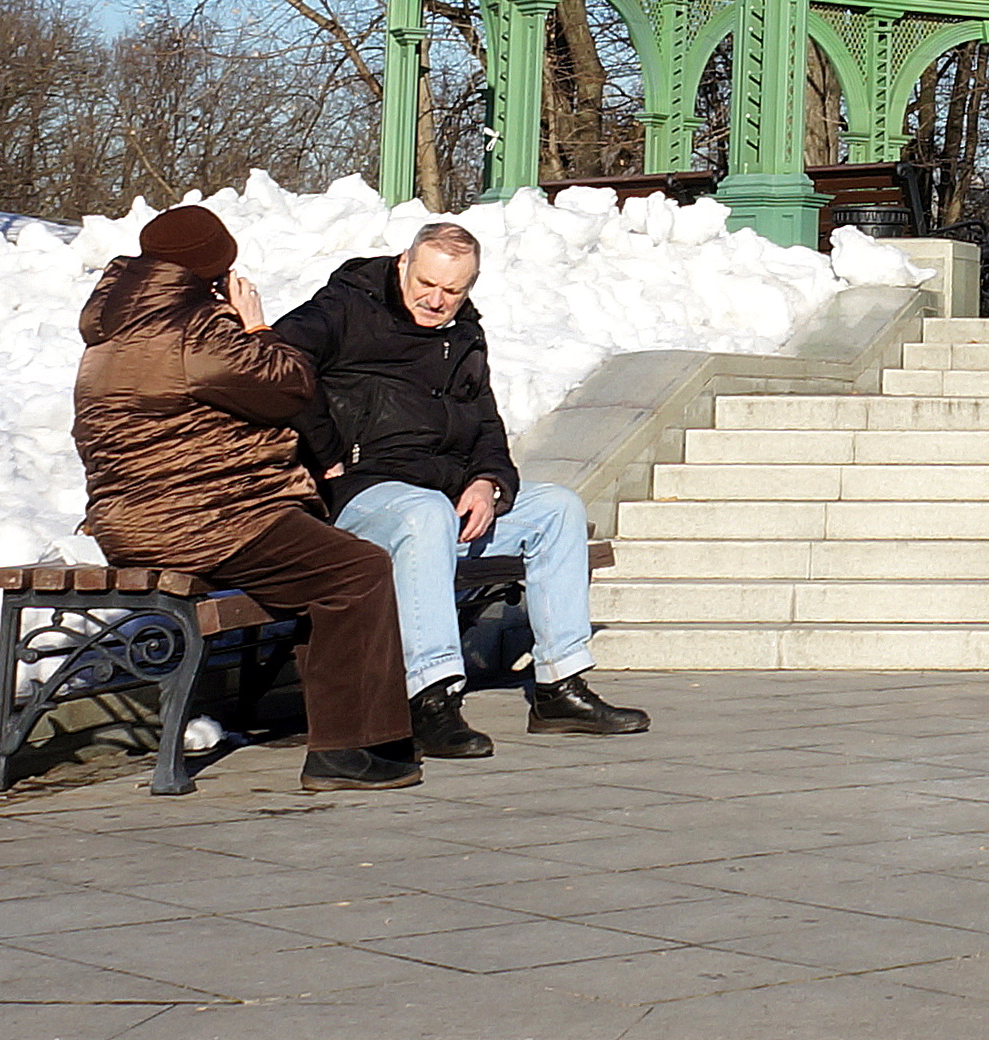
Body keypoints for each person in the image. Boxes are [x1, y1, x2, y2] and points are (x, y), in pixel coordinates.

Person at [71, 204, 417, 792]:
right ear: (212, 270)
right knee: (356, 570)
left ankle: (344, 736)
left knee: (323, 569)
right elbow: (289, 387)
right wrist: (255, 324)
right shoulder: (195, 332)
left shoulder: (112, 334)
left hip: (136, 522)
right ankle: (347, 749)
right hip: (205, 520)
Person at [272, 219, 648, 757]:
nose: (436, 300)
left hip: (443, 497)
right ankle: (431, 698)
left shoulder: (464, 332)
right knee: (424, 513)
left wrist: (488, 481)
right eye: (427, 283)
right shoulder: (345, 307)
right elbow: (279, 358)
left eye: (453, 290)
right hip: (365, 498)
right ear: (404, 263)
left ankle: (560, 688)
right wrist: (326, 447)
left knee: (557, 509)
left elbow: (486, 422)